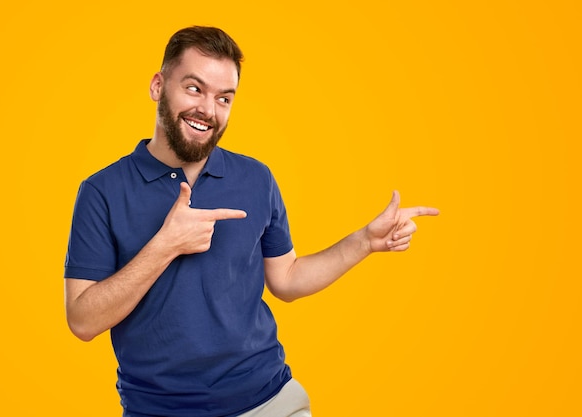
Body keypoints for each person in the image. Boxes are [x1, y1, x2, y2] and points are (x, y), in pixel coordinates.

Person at [64, 26, 439, 417]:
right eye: (194, 88)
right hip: (160, 410)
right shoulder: (101, 191)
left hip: (269, 401)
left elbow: (287, 279)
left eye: (223, 98)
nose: (208, 110)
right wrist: (166, 245)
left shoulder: (256, 179)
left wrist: (364, 241)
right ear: (158, 85)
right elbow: (83, 321)